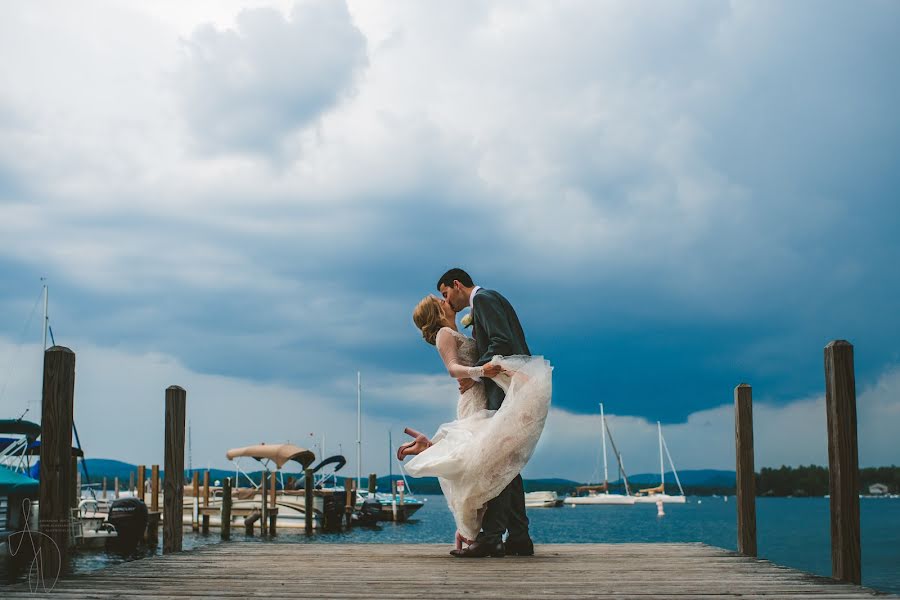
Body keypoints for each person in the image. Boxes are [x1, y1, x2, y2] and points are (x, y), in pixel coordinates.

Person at [401, 268, 551, 558]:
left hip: (499, 391)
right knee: (501, 465)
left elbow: (501, 344)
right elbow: (486, 351)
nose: (448, 301)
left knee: (499, 464)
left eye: (446, 294)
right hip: (491, 394)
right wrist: (478, 373)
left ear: (456, 285)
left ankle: (498, 537)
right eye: (442, 299)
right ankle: (514, 537)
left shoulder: (482, 301)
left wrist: (478, 374)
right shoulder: (466, 318)